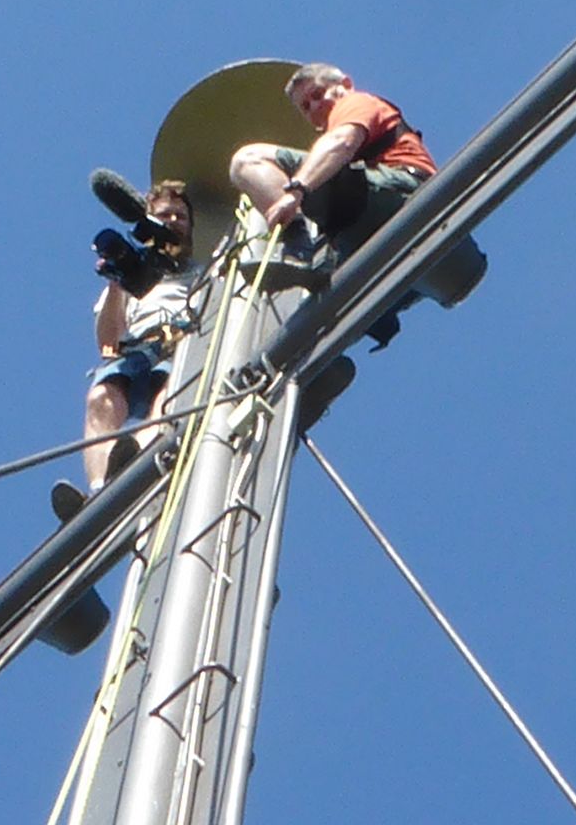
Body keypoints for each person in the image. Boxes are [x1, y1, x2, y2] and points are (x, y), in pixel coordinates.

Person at [54, 180, 200, 522]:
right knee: (101, 398)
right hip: (136, 347)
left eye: (180, 216)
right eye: (164, 215)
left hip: (180, 344)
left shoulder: (204, 271)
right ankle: (99, 489)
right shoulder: (132, 276)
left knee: (167, 397)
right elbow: (108, 341)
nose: (172, 222)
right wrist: (118, 279)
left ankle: (141, 464)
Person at [228, 63, 436, 264]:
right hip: (368, 218)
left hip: (402, 190)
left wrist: (296, 191)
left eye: (318, 94)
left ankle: (298, 245)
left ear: (346, 85)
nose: (315, 106)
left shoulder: (355, 102)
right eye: (306, 107)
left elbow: (342, 142)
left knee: (248, 160)